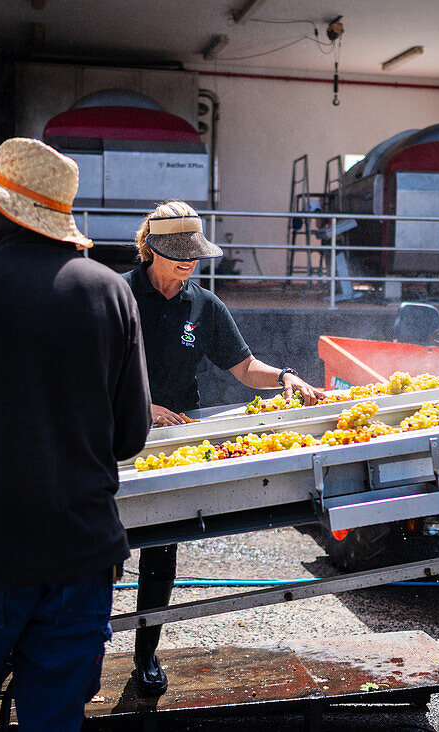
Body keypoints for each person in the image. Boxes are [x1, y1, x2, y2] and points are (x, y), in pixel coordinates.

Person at [0, 137, 152, 730]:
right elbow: (131, 434)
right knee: (54, 719)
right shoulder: (111, 291)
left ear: (6, 212)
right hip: (79, 554)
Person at [122, 200, 326, 696]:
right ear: (151, 249)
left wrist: (283, 376)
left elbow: (242, 366)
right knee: (95, 551)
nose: (188, 262)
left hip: (175, 438)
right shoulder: (118, 295)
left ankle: (145, 653)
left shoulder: (203, 305)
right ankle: (77, 652)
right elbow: (89, 367)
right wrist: (142, 406)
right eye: (178, 254)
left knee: (159, 547)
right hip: (116, 432)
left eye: (193, 254)